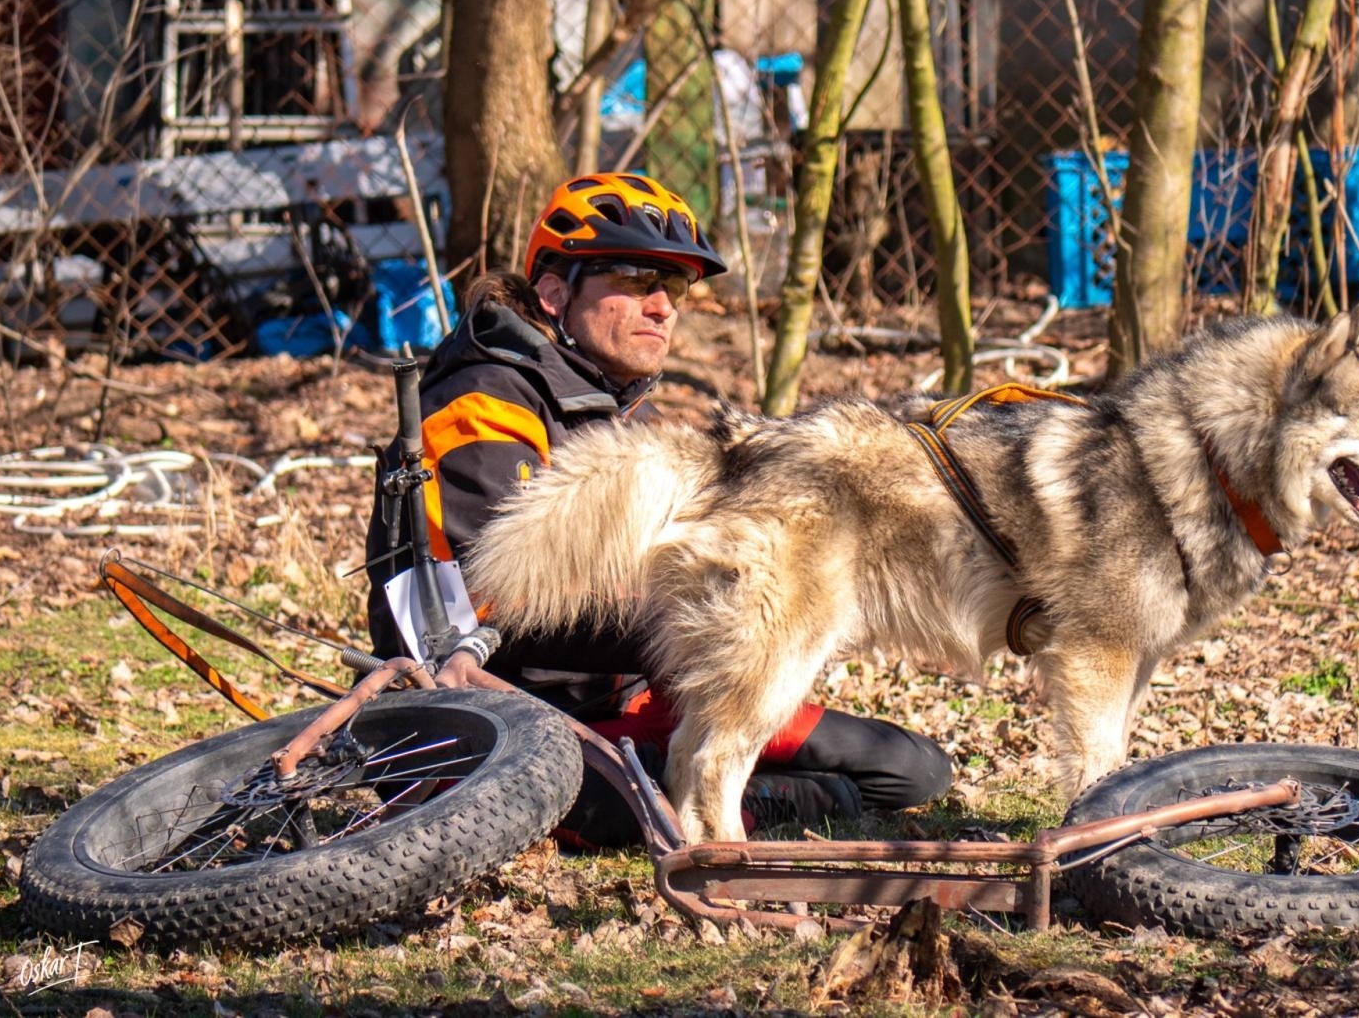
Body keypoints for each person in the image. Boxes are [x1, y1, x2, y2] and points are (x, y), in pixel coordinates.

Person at [366, 171, 952, 846]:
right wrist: (718, 607)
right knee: (693, 801)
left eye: (672, 287)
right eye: (637, 280)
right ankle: (732, 802)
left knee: (910, 769)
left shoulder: (606, 401)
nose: (663, 306)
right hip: (502, 721)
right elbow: (496, 598)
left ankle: (745, 792)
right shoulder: (484, 401)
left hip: (632, 693)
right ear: (556, 292)